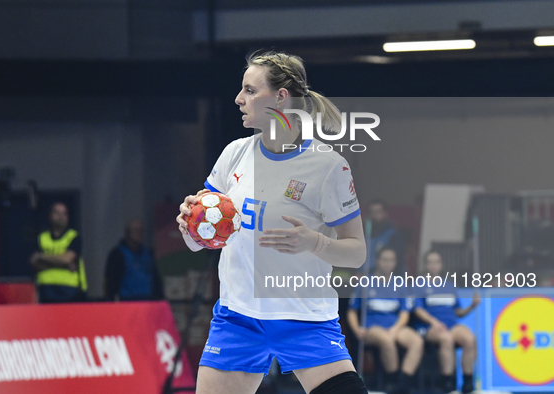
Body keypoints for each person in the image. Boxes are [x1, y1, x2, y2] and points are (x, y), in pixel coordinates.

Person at [176, 51, 368, 394]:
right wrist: (189, 226)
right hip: (238, 317)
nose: (239, 99)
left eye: (250, 90)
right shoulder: (234, 153)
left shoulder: (327, 166)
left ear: (281, 97)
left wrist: (315, 243)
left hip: (303, 318)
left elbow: (356, 254)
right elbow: (201, 241)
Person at [347, 247, 423, 394]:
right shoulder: (364, 283)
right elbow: (352, 311)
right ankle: (391, 381)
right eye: (384, 260)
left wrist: (395, 329)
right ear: (377, 261)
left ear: (395, 263)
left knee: (417, 341)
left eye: (391, 260)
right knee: (386, 339)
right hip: (371, 328)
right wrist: (357, 330)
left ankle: (403, 383)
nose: (388, 264)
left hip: (395, 326)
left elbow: (404, 313)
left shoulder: (400, 284)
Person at [412, 250, 480, 394]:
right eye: (430, 262)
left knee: (470, 339)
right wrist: (433, 322)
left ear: (441, 264)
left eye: (436, 262)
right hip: (428, 327)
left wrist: (472, 306)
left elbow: (458, 312)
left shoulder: (449, 285)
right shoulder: (418, 285)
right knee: (446, 339)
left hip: (451, 325)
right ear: (425, 265)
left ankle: (468, 382)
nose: (433, 266)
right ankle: (448, 382)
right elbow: (418, 310)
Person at [30, 202, 87, 303]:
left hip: (70, 290)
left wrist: (42, 256)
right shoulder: (41, 238)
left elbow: (67, 259)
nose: (61, 217)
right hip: (45, 289)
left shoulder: (74, 237)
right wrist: (63, 265)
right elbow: (35, 263)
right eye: (57, 213)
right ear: (50, 216)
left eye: (64, 213)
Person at [104, 219, 164, 301]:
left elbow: (155, 279)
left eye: (141, 231)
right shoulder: (118, 254)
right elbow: (111, 281)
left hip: (148, 301)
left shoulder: (148, 253)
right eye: (136, 230)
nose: (139, 234)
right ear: (128, 233)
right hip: (127, 301)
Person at [364, 198, 405, 272]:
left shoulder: (394, 235)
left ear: (386, 213)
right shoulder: (364, 233)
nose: (375, 215)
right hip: (361, 277)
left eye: (378, 212)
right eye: (372, 212)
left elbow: (397, 261)